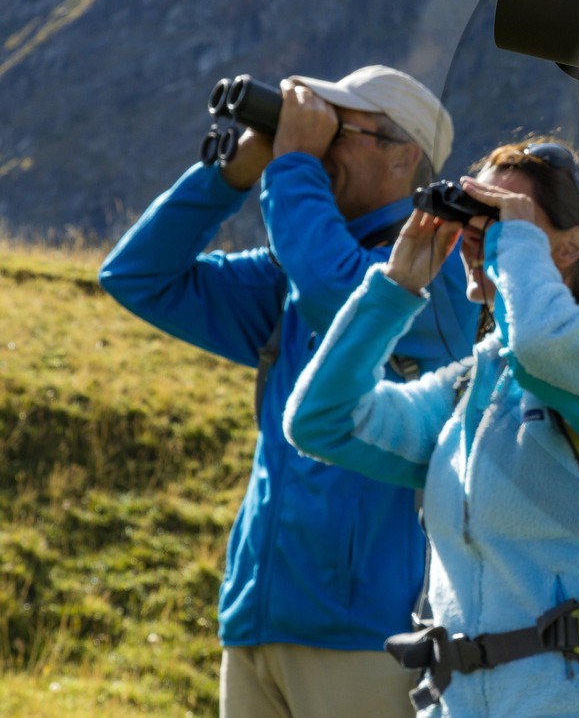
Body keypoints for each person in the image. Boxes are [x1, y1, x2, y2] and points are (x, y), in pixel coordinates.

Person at [99, 65, 478, 718]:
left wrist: (293, 165)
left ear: (403, 154)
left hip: (374, 637)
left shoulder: (438, 270)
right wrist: (231, 175)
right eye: (313, 127)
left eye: (339, 131)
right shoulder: (290, 279)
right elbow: (138, 276)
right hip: (258, 621)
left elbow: (349, 296)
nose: (316, 142)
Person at [284, 137, 579, 717]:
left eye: (502, 215)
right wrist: (395, 288)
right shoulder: (468, 391)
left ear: (571, 246)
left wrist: (512, 238)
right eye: (476, 215)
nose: (480, 234)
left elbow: (544, 345)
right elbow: (321, 421)